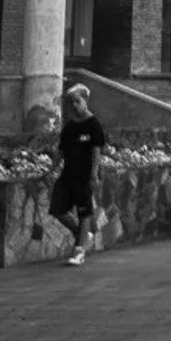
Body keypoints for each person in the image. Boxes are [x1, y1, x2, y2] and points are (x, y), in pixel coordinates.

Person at [53, 82, 108, 267]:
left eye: (77, 101)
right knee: (58, 209)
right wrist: (51, 168)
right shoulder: (69, 127)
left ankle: (79, 251)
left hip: (84, 176)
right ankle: (81, 235)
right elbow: (61, 150)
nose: (74, 106)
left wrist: (93, 174)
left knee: (85, 212)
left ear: (85, 100)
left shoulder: (93, 125)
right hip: (67, 174)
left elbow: (96, 152)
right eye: (71, 103)